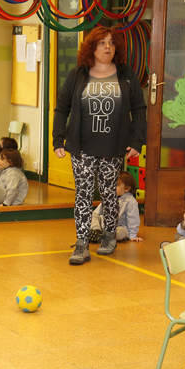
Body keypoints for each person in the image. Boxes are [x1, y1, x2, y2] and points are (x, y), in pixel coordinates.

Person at [52, 25, 147, 265]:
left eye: (112, 43)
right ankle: (82, 244)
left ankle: (109, 236)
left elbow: (139, 109)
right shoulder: (78, 74)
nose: (108, 47)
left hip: (113, 146)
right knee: (83, 194)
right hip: (82, 146)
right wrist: (57, 138)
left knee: (108, 194)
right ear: (91, 47)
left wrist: (137, 141)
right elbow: (62, 107)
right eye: (102, 43)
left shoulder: (125, 74)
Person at [89, 171, 142, 244]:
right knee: (93, 216)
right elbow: (96, 213)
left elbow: (133, 219)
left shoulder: (131, 201)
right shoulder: (109, 197)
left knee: (121, 232)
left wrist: (133, 235)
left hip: (118, 227)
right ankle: (96, 232)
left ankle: (104, 236)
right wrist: (96, 224)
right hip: (104, 226)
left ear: (126, 188)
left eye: (116, 185)